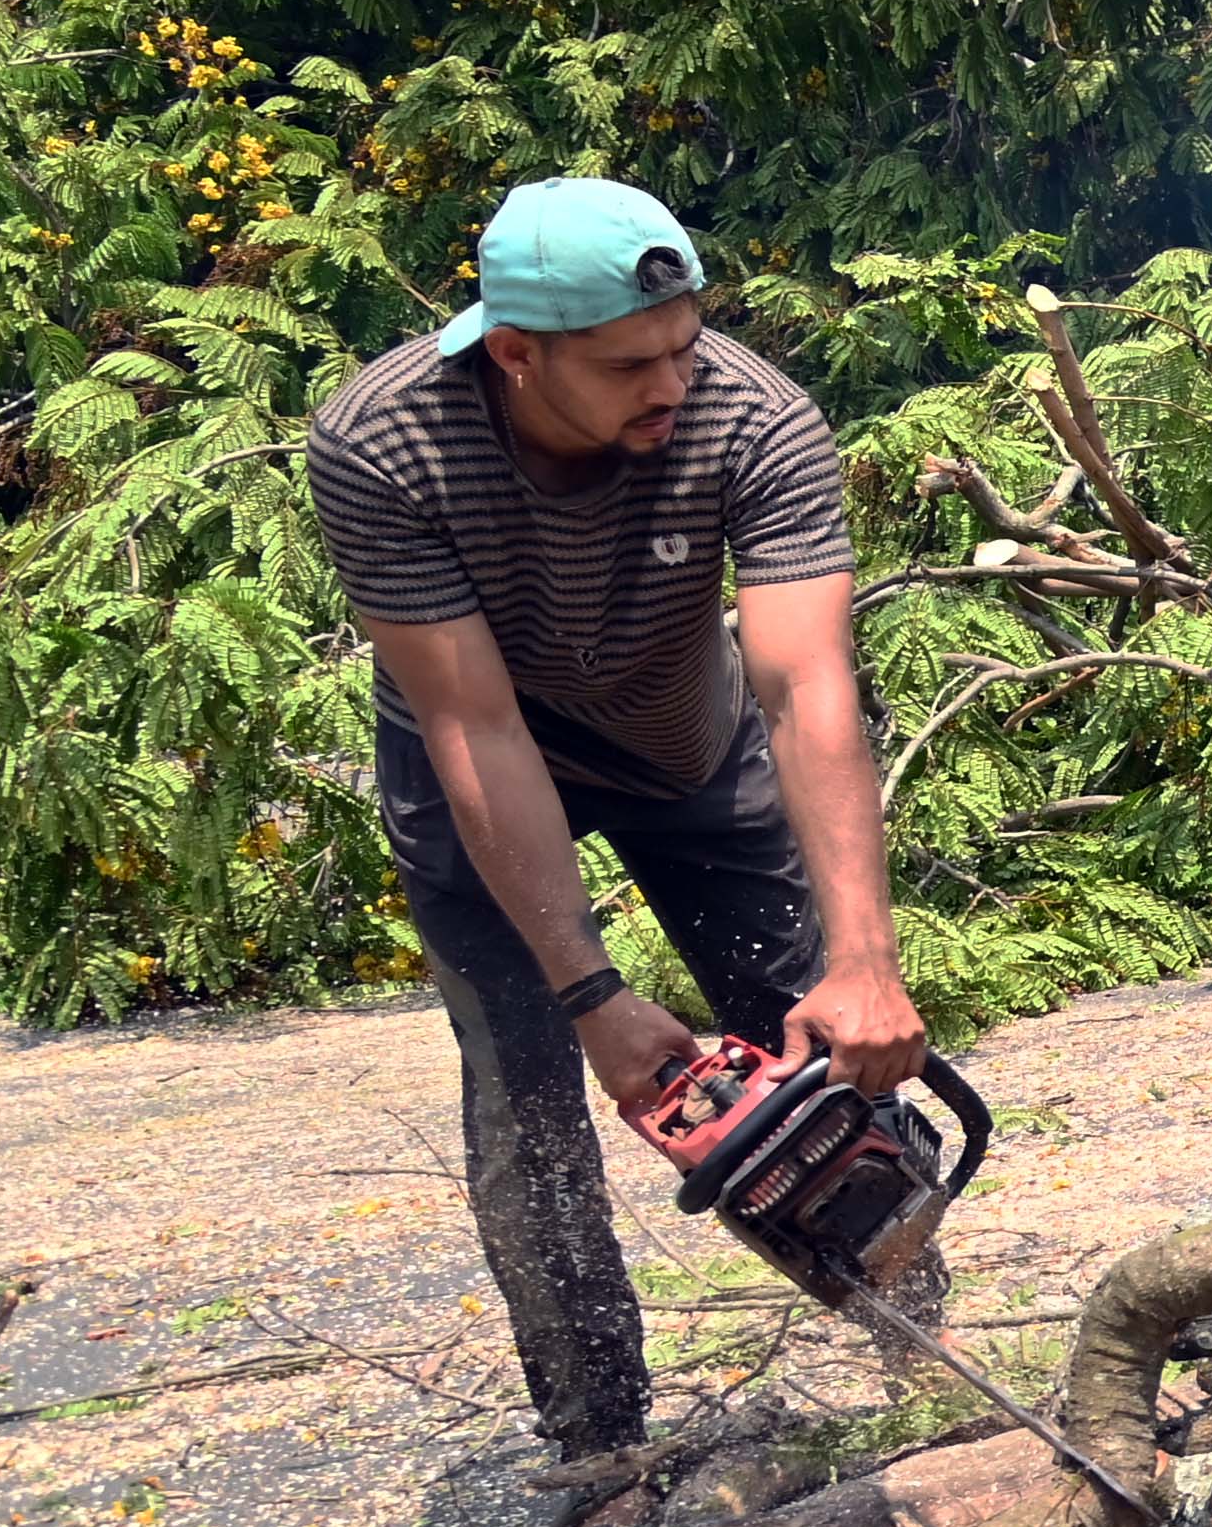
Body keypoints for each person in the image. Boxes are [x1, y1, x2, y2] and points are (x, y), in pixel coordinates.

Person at [311, 177, 934, 1456]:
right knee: (529, 1101)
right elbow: (475, 726)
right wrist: (593, 994)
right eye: (630, 362)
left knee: (819, 1047)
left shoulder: (754, 418)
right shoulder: (386, 442)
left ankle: (925, 1350)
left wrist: (865, 960)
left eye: (685, 345)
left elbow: (806, 684)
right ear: (515, 353)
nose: (673, 382)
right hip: (480, 762)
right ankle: (600, 1446)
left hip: (685, 752)